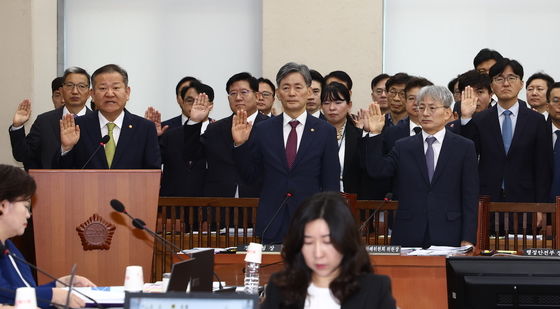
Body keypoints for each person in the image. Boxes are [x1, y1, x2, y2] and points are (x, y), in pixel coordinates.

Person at [232, 62, 340, 243]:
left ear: (308, 91)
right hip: (272, 221)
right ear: (278, 94)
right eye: (286, 87)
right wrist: (240, 145)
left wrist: (331, 222)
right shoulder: (263, 129)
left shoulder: (325, 131)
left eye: (298, 87)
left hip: (312, 222)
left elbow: (331, 183)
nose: (291, 93)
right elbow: (249, 178)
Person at [362, 86, 479, 247]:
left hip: (450, 231)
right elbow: (377, 170)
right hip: (409, 231)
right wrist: (375, 134)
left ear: (447, 113)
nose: (425, 113)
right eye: (421, 107)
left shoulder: (464, 147)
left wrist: (468, 238)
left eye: (432, 108)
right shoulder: (403, 146)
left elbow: (470, 196)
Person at [261, 192, 396, 309]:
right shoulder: (280, 287)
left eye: (328, 242)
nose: (318, 254)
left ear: (346, 240)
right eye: (308, 242)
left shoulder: (374, 289)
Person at [459, 59, 552, 206]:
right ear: (492, 85)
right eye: (499, 79)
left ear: (521, 84)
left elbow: (542, 167)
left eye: (511, 78)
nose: (506, 83)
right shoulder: (480, 120)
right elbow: (467, 156)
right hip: (487, 200)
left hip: (525, 201)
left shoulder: (537, 121)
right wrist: (465, 118)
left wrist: (541, 206)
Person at [0, 164, 95, 308]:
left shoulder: (8, 246)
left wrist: (59, 285)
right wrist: (53, 295)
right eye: (26, 206)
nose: (28, 214)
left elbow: (23, 292)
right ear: (3, 206)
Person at [56, 64, 161, 169]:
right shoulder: (77, 126)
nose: (110, 94)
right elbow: (63, 174)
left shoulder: (145, 128)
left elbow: (153, 173)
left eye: (116, 87)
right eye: (103, 88)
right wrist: (66, 149)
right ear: (92, 94)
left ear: (127, 92)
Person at [185, 72, 269, 198]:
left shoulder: (270, 127)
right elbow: (191, 155)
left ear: (257, 96)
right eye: (233, 93)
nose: (238, 97)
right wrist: (194, 122)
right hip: (220, 205)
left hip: (259, 201)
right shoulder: (215, 128)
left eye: (244, 92)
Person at [9, 67, 93, 170]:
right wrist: (17, 127)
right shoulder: (44, 121)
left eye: (81, 86)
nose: (75, 91)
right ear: (61, 91)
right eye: (70, 85)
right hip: (50, 183)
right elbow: (23, 156)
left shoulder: (97, 122)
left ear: (89, 93)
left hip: (89, 184)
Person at [159, 82, 215, 197]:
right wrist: (152, 137)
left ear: (211, 105)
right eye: (190, 101)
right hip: (175, 204)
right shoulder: (170, 134)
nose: (195, 106)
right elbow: (153, 164)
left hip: (212, 203)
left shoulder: (220, 132)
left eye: (201, 101)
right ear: (182, 103)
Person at [321, 82, 361, 193]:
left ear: (349, 105)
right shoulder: (313, 135)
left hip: (351, 200)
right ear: (321, 106)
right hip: (320, 200)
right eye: (326, 103)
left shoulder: (359, 136)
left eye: (338, 102)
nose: (332, 108)